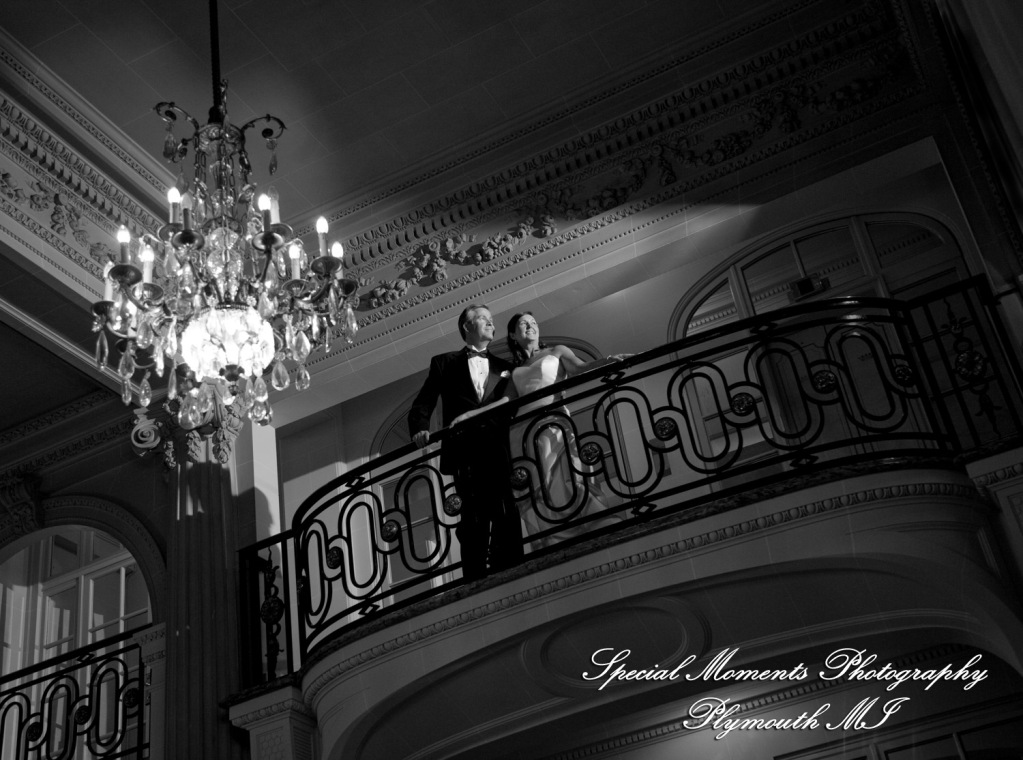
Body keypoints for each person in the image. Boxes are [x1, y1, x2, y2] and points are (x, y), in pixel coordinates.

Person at [453, 311, 630, 543]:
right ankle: (554, 534)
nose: (530, 326)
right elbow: (506, 401)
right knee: (540, 480)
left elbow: (580, 368)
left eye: (533, 322)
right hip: (522, 431)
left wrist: (607, 361)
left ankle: (592, 518)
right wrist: (470, 414)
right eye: (523, 323)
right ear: (513, 335)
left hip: (552, 420)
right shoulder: (515, 371)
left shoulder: (557, 351)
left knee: (567, 470)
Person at [408, 304, 523, 579]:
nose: (491, 323)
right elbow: (424, 401)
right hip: (465, 450)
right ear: (467, 327)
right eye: (483, 318)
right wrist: (420, 428)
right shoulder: (444, 362)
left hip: (498, 448)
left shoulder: (506, 368)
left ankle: (510, 568)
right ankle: (474, 577)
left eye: (491, 319)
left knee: (505, 508)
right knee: (473, 514)